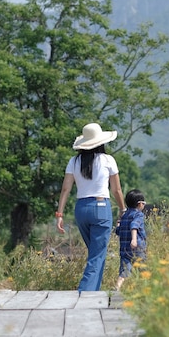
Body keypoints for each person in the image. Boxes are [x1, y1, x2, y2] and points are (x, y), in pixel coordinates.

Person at [56, 123, 127, 292]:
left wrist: (59, 214)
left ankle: (93, 292)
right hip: (101, 207)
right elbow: (116, 190)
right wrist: (123, 209)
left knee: (96, 253)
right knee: (97, 255)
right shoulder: (108, 160)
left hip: (81, 209)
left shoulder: (74, 161)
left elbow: (66, 189)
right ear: (101, 142)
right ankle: (84, 292)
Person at [116, 189, 148, 290]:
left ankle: (117, 287)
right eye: (144, 203)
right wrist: (134, 240)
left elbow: (118, 231)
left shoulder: (124, 216)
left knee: (124, 271)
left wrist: (118, 225)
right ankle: (145, 288)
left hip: (124, 249)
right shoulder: (138, 214)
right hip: (137, 247)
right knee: (142, 268)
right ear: (139, 204)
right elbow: (134, 226)